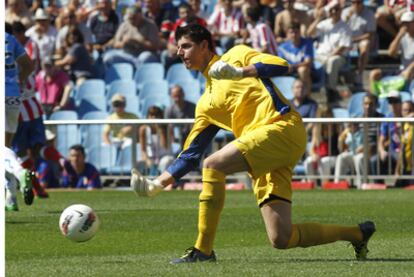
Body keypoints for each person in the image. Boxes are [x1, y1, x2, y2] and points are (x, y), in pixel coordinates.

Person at [130, 24, 376, 264]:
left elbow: (282, 65)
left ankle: (203, 251)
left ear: (205, 45)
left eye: (185, 46)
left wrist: (241, 72)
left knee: (213, 164)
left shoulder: (236, 55)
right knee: (281, 237)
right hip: (263, 149)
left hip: (282, 128)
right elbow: (189, 155)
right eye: (178, 47)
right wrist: (157, 184)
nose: (179, 52)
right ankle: (357, 234)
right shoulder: (205, 103)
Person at [307, 0, 352, 102]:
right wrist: (318, 18)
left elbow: (342, 47)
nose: (334, 12)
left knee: (332, 62)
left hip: (338, 56)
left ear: (340, 11)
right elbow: (309, 33)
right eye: (332, 10)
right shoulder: (323, 24)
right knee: (307, 61)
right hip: (320, 55)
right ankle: (310, 91)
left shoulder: (345, 27)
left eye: (336, 9)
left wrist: (329, 57)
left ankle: (330, 90)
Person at [369, 11, 414, 97]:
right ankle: (373, 99)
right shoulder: (403, 37)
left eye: (408, 23)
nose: (406, 25)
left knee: (407, 74)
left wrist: (409, 69)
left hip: (410, 72)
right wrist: (399, 35)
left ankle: (404, 99)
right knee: (374, 74)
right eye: (404, 23)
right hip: (402, 70)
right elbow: (391, 53)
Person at [341, 0, 376, 86]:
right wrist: (347, 18)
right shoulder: (345, 12)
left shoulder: (370, 14)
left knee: (365, 44)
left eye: (358, 2)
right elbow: (340, 29)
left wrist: (355, 39)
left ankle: (359, 73)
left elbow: (370, 34)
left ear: (362, 2)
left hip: (360, 39)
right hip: (345, 39)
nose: (356, 5)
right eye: (353, 2)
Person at [303, 107, 338, 184]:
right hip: (321, 156)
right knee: (308, 161)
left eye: (327, 115)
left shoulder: (337, 127)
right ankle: (312, 184)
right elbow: (312, 148)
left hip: (333, 156)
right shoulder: (317, 129)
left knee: (324, 161)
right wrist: (314, 155)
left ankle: (324, 184)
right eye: (323, 115)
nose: (326, 117)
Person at [139, 106, 175, 176]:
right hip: (151, 157)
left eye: (156, 115)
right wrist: (147, 160)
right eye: (151, 115)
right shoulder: (143, 129)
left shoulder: (168, 128)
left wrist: (160, 129)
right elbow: (143, 150)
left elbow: (165, 146)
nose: (154, 118)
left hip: (165, 157)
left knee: (164, 162)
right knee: (140, 163)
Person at [278, 23, 314, 92]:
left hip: (304, 70)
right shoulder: (282, 47)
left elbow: (308, 62)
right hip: (288, 70)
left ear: (300, 32)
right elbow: (281, 63)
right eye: (291, 32)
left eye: (296, 32)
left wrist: (293, 66)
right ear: (287, 34)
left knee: (302, 70)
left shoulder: (307, 44)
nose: (294, 35)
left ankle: (306, 96)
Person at [164, 85, 196, 151]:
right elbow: (168, 127)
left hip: (192, 137)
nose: (177, 99)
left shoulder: (193, 107)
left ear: (183, 94)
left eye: (179, 96)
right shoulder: (169, 110)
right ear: (171, 97)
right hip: (176, 139)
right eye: (175, 96)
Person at [334, 122, 365, 188]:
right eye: (349, 125)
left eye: (351, 124)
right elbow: (340, 149)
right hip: (351, 155)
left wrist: (362, 148)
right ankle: (337, 183)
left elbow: (367, 145)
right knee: (340, 157)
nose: (350, 126)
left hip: (360, 155)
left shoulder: (362, 133)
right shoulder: (347, 135)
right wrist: (341, 138)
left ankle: (361, 184)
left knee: (358, 158)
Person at [395, 100, 414, 187]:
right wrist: (397, 169)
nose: (409, 113)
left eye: (410, 110)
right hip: (406, 166)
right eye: (405, 110)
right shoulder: (404, 126)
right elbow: (402, 148)